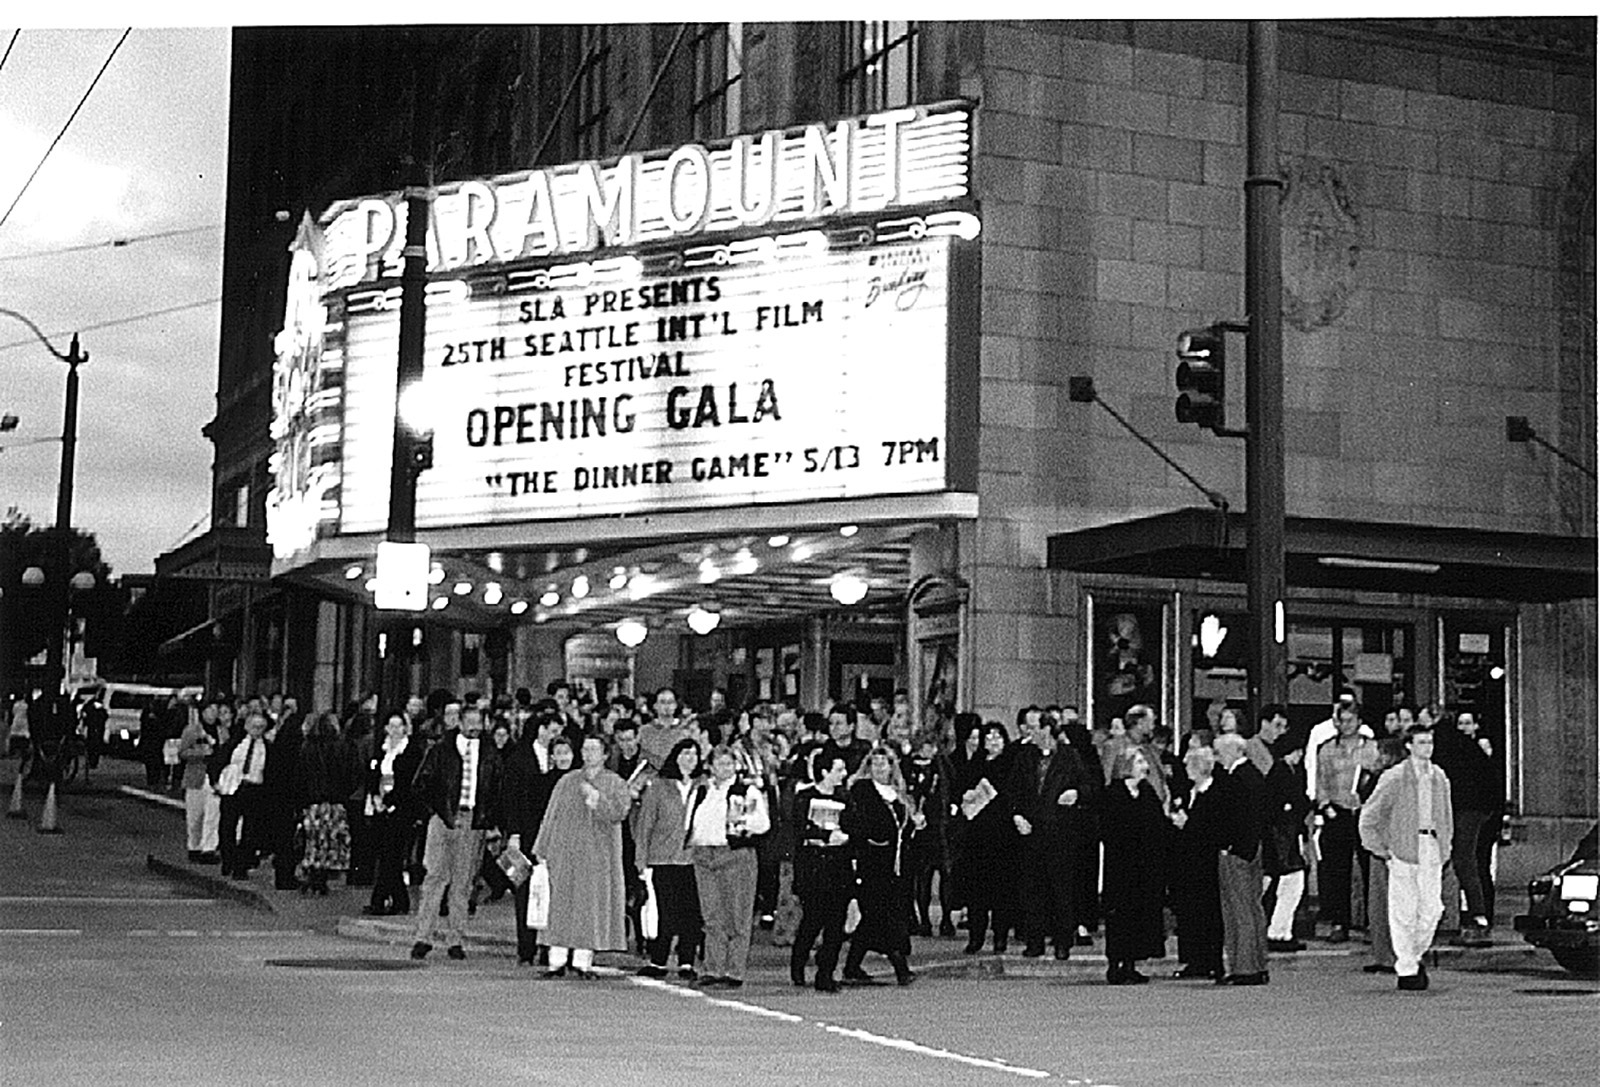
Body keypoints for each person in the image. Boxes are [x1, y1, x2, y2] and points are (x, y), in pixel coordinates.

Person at [1360, 723, 1454, 991]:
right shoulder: (1395, 777)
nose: (1428, 747)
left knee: (1432, 910)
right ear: (1410, 746)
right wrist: (1381, 848)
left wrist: (1446, 846)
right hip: (1403, 849)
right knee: (1403, 912)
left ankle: (1413, 956)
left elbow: (1446, 815)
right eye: (1422, 742)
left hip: (1431, 847)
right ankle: (1407, 967)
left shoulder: (1439, 777)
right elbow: (1370, 815)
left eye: (1430, 742)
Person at [533, 734, 633, 979]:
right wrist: (541, 849)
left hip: (598, 858)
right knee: (561, 906)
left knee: (590, 907)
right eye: (585, 749)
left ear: (605, 754)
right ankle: (555, 961)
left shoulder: (615, 783)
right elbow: (550, 816)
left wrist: (597, 799)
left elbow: (619, 812)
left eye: (594, 749)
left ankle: (582, 961)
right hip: (564, 854)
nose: (588, 754)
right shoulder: (567, 781)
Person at [409, 704, 503, 962]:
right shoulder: (440, 750)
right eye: (469, 722)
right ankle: (423, 936)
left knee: (463, 882)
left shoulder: (490, 753)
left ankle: (455, 939)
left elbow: (496, 787)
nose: (474, 727)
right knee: (435, 877)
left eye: (478, 722)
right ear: (459, 723)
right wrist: (436, 812)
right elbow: (421, 784)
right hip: (444, 817)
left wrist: (489, 819)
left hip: (473, 820)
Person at [1008, 711, 1095, 960]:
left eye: (1035, 728)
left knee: (1061, 889)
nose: (1030, 733)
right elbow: (1013, 791)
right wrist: (1017, 815)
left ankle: (1062, 941)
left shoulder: (1069, 757)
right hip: (1032, 831)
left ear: (1047, 730)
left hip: (1060, 832)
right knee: (1032, 889)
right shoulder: (1025, 757)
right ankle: (1034, 940)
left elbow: (1088, 786)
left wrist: (1076, 794)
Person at [686, 744, 771, 990]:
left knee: (737, 915)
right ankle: (713, 968)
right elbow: (691, 821)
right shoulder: (702, 790)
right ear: (710, 766)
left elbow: (762, 824)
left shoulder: (747, 791)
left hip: (733, 853)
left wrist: (741, 821)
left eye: (729, 763)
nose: (725, 768)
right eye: (719, 763)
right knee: (711, 915)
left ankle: (734, 971)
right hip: (704, 853)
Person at [840, 745, 920, 986]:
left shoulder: (899, 794)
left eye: (883, 763)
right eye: (874, 763)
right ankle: (899, 965)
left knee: (876, 917)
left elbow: (904, 829)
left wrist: (915, 824)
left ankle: (852, 966)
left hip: (896, 866)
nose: (879, 768)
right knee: (880, 915)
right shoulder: (862, 790)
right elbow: (857, 823)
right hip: (872, 863)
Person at [633, 737, 705, 981]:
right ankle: (658, 960)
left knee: (692, 914)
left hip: (694, 860)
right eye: (685, 754)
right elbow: (644, 826)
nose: (689, 759)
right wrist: (640, 860)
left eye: (694, 755)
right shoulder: (659, 786)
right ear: (675, 756)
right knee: (665, 911)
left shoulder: (703, 786)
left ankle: (687, 961)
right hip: (662, 859)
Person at [503, 712, 566, 963]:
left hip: (555, 834)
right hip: (527, 832)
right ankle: (526, 947)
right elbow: (511, 798)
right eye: (552, 731)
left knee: (553, 890)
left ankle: (548, 946)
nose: (555, 737)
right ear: (541, 730)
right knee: (526, 890)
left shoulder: (563, 757)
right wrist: (514, 832)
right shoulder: (519, 758)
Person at [1101, 748, 1167, 984]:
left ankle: (1130, 963)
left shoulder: (1147, 793)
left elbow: (1158, 826)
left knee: (1139, 915)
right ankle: (1115, 964)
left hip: (1144, 868)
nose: (1144, 765)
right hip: (1121, 867)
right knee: (1119, 915)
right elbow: (1108, 828)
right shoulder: (1113, 794)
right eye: (1139, 761)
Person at [1314, 700, 1379, 942]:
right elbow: (1321, 781)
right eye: (1341, 720)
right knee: (1336, 870)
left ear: (1360, 721)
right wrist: (1325, 806)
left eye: (1350, 719)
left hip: (1366, 813)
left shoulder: (1372, 748)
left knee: (1370, 868)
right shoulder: (1327, 749)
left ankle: (1374, 922)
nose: (1346, 724)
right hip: (1338, 812)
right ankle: (1339, 921)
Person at [1433, 709, 1502, 935]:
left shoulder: (1453, 747)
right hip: (1476, 810)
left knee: (1466, 860)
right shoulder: (1469, 748)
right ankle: (1477, 913)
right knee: (1470, 862)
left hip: (1467, 809)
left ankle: (1477, 913)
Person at [954, 720, 1019, 954]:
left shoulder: (1011, 764)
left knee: (1001, 890)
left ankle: (1000, 937)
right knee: (976, 891)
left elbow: (1012, 794)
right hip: (976, 835)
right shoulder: (974, 765)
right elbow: (960, 791)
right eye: (988, 737)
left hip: (1002, 835)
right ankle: (976, 936)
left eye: (997, 737)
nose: (993, 741)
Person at [790, 753, 853, 991]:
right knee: (813, 920)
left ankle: (826, 973)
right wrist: (825, 836)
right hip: (813, 869)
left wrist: (847, 838)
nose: (843, 774)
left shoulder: (845, 797)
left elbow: (853, 825)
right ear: (824, 772)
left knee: (836, 925)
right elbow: (800, 830)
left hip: (838, 868)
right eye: (839, 769)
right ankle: (798, 963)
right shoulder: (804, 797)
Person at [1211, 733, 1269, 985]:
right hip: (1253, 849)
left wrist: (1228, 846)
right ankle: (1258, 963)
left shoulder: (1237, 779)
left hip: (1237, 852)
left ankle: (1244, 968)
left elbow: (1235, 818)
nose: (1216, 757)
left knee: (1238, 910)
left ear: (1234, 751)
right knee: (1253, 908)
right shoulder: (1253, 775)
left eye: (1219, 752)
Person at [1255, 705, 1312, 953]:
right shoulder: (1283, 772)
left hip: (1282, 836)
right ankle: (1278, 931)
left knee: (1274, 883)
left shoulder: (1282, 771)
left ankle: (1278, 930)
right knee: (1290, 883)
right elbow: (1287, 804)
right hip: (1283, 837)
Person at [1168, 743, 1224, 980]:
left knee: (1207, 913)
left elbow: (1209, 831)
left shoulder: (1214, 794)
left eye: (1189, 764)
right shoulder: (1190, 792)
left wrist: (1186, 824)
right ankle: (1193, 960)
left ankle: (1210, 960)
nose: (1185, 768)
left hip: (1205, 865)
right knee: (1189, 913)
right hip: (1187, 864)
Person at [363, 712, 424, 916]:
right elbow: (372, 775)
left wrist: (390, 802)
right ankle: (399, 900)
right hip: (380, 808)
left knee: (392, 855)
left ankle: (379, 900)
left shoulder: (411, 752)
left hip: (401, 810)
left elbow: (407, 782)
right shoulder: (381, 750)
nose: (395, 730)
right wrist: (375, 797)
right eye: (392, 726)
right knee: (387, 856)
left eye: (399, 726)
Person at [292, 710, 353, 895]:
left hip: (314, 803)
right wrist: (343, 795)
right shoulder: (341, 748)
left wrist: (301, 801)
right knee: (330, 842)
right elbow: (352, 774)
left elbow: (300, 777)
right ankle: (322, 879)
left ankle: (313, 876)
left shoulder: (307, 748)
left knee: (313, 841)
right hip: (334, 803)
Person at [903, 728, 954, 938]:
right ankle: (923, 919)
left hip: (941, 825)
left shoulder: (942, 765)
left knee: (946, 875)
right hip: (919, 827)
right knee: (922, 876)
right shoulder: (908, 765)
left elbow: (952, 787)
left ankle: (947, 918)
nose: (930, 750)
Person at [216, 712, 272, 880]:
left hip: (255, 789)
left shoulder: (267, 748)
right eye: (254, 726)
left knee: (251, 829)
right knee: (227, 826)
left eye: (261, 727)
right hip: (234, 787)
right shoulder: (235, 744)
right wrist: (216, 782)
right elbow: (219, 761)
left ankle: (242, 865)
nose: (257, 730)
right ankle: (228, 859)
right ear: (247, 726)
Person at [177, 699, 225, 863]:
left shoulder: (222, 730)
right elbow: (182, 752)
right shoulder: (192, 730)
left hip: (214, 777)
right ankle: (194, 846)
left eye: (215, 710)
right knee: (195, 815)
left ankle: (208, 848)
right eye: (210, 710)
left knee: (213, 814)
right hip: (196, 776)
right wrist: (201, 753)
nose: (214, 713)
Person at [638, 686, 688, 771]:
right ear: (655, 705)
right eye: (662, 702)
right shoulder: (644, 731)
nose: (667, 706)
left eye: (670, 702)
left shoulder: (685, 731)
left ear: (675, 705)